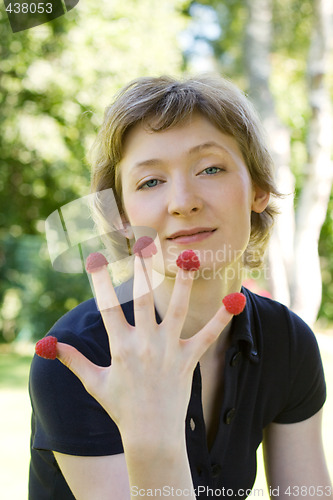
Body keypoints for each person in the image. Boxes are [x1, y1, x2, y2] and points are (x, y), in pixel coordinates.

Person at [29, 75, 332, 499]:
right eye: (150, 182)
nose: (183, 201)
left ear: (258, 188)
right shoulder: (78, 358)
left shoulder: (288, 342)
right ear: (121, 219)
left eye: (211, 168)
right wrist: (150, 433)